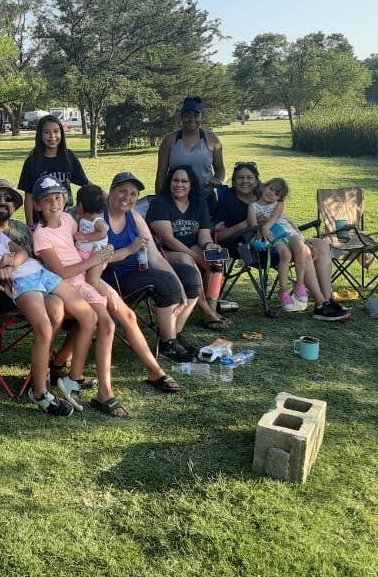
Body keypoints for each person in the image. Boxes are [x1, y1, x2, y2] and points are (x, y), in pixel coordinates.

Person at [33, 177, 179, 408]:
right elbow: (61, 271)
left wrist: (115, 251)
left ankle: (153, 371)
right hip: (72, 284)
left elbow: (86, 245)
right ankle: (94, 387)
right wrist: (95, 262)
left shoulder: (70, 220)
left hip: (88, 278)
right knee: (107, 324)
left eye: (58, 198)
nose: (54, 203)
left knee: (126, 316)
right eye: (47, 199)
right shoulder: (46, 233)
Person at [0, 197, 97, 416]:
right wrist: (0, 266)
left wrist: (10, 264)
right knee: (44, 327)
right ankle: (39, 392)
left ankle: (72, 379)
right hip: (21, 282)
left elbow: (23, 253)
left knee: (88, 316)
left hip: (40, 272)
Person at [216, 162, 350, 321]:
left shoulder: (265, 196)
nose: (245, 181)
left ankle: (327, 300)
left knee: (321, 244)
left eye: (249, 177)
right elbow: (219, 236)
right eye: (240, 178)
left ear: (257, 180)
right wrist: (246, 224)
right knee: (303, 250)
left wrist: (300, 237)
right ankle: (321, 304)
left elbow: (283, 219)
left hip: (281, 236)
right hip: (256, 247)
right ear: (233, 180)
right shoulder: (227, 202)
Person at [102, 172, 201, 363]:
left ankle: (174, 335)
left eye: (133, 194)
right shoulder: (100, 219)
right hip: (112, 277)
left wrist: (180, 286)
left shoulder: (134, 217)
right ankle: (168, 344)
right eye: (122, 191)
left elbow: (154, 256)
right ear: (111, 191)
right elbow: (95, 259)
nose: (127, 197)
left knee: (189, 276)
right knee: (165, 283)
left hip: (139, 270)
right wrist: (128, 250)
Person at [145, 165, 231, 330]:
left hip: (191, 246)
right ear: (169, 183)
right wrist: (196, 256)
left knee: (216, 258)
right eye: (175, 180)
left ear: (191, 184)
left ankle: (211, 308)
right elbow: (168, 239)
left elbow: (204, 236)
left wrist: (209, 246)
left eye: (184, 181)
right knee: (187, 259)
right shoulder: (160, 203)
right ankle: (208, 312)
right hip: (162, 252)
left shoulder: (199, 203)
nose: (179, 185)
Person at [247, 177, 311, 312]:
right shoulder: (252, 207)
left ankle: (300, 284)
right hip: (274, 235)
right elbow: (253, 227)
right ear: (264, 186)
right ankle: (283, 290)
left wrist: (266, 226)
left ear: (279, 198)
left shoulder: (279, 204)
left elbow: (275, 217)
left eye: (276, 194)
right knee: (285, 255)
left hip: (287, 231)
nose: (271, 194)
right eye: (271, 189)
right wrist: (261, 229)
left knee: (300, 248)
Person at [155, 96, 225, 216]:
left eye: (196, 115)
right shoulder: (170, 140)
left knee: (209, 227)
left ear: (201, 116)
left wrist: (217, 179)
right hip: (176, 198)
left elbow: (220, 169)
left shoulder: (212, 139)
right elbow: (161, 173)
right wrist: (160, 200)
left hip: (205, 197)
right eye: (187, 115)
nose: (191, 119)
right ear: (181, 117)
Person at [17, 114, 88, 228]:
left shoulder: (68, 156)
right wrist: (30, 225)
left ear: (61, 133)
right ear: (40, 135)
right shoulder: (32, 161)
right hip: (42, 222)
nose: (52, 136)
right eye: (46, 132)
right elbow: (29, 196)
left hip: (65, 219)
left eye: (56, 131)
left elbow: (85, 183)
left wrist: (103, 195)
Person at [73, 183, 110, 298]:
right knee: (82, 279)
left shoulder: (97, 220)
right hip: (83, 254)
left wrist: (85, 237)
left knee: (92, 281)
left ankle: (110, 297)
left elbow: (102, 234)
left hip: (97, 255)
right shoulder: (81, 217)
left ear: (81, 205)